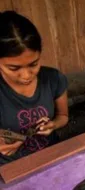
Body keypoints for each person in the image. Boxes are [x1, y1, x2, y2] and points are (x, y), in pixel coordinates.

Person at [0, 11, 68, 165]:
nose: (26, 76)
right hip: (10, 169)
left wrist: (54, 124)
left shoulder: (53, 79)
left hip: (52, 158)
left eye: (33, 64)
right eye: (13, 68)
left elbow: (63, 116)